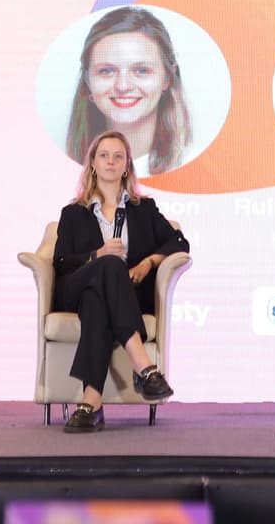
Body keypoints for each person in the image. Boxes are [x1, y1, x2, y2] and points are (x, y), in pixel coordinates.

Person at [51, 129, 191, 432]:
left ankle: (91, 403)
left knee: (97, 303)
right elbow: (60, 262)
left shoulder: (144, 210)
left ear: (127, 165)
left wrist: (147, 262)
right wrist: (96, 255)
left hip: (118, 295)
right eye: (104, 155)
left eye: (118, 156)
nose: (111, 162)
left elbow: (179, 243)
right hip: (75, 287)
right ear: (92, 164)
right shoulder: (73, 213)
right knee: (109, 264)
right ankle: (143, 367)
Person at [64, 7, 194, 177]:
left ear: (167, 78)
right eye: (106, 71)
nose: (123, 86)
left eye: (141, 70)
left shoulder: (196, 168)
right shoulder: (61, 169)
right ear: (88, 81)